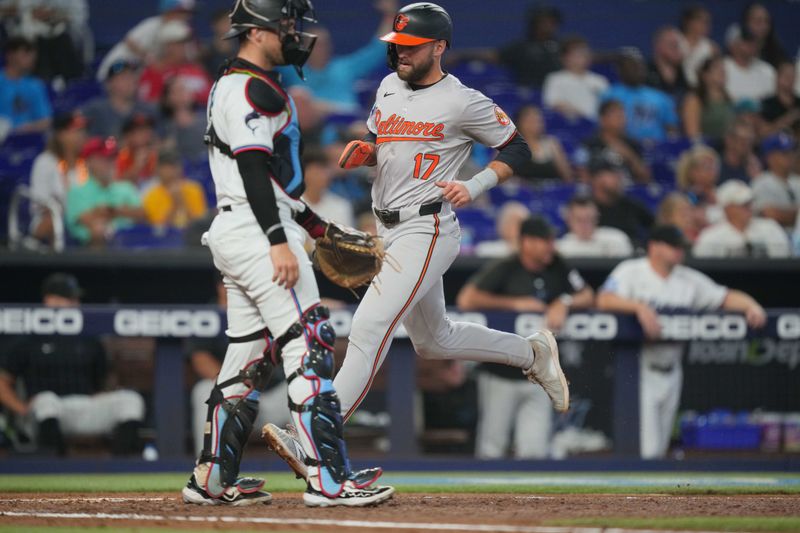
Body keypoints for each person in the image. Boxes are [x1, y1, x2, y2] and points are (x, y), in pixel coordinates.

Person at [265, 2, 571, 476]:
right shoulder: (388, 86)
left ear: (438, 46)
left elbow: (518, 147)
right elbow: (379, 139)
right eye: (397, 45)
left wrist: (476, 184)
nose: (400, 54)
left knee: (368, 327)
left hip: (426, 226)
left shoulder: (462, 99)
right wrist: (367, 150)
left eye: (410, 46)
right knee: (435, 340)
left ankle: (316, 440)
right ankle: (532, 353)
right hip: (385, 225)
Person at [181, 0, 393, 508]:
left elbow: (268, 181)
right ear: (255, 32)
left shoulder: (230, 83)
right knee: (310, 343)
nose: (295, 33)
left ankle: (211, 479)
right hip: (258, 235)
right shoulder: (255, 87)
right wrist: (279, 239)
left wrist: (318, 228)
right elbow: (255, 169)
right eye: (285, 25)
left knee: (249, 359)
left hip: (238, 229)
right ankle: (329, 480)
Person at [597, 224, 767, 459]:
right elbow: (604, 299)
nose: (679, 252)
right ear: (654, 246)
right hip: (640, 368)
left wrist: (751, 305)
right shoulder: (631, 271)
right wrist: (637, 307)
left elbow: (725, 297)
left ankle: (649, 497)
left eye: (681, 247)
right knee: (646, 449)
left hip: (673, 368)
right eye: (673, 246)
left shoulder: (688, 279)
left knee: (659, 447)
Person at [457, 216, 593, 459]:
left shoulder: (557, 265)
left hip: (538, 374)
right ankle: (485, 498)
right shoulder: (507, 266)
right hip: (500, 373)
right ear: (527, 242)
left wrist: (564, 301)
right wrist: (513, 303)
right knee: (492, 448)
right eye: (545, 240)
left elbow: (587, 295)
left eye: (551, 240)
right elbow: (467, 299)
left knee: (534, 451)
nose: (551, 246)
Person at [0, 273, 146, 456]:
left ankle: (124, 468)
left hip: (84, 405)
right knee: (46, 401)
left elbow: (102, 381)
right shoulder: (30, 339)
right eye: (69, 299)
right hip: (46, 409)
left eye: (76, 299)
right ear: (50, 300)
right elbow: (3, 382)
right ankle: (53, 467)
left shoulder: (89, 338)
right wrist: (21, 408)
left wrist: (103, 394)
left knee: (130, 399)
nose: (75, 304)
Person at [188, 278, 291, 456]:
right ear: (221, 287)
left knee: (302, 388)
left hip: (271, 397)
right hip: (232, 397)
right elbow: (200, 358)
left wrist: (322, 306)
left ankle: (314, 466)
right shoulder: (209, 316)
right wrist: (234, 384)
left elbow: (301, 308)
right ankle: (207, 463)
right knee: (204, 390)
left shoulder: (268, 308)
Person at [279, 0, 397, 114]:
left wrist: (390, 15)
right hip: (307, 129)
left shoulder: (344, 68)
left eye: (325, 44)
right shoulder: (292, 70)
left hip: (346, 127)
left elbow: (377, 49)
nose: (322, 49)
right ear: (303, 48)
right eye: (316, 45)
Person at [65, 137, 145, 246]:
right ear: (89, 162)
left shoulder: (126, 187)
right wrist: (124, 211)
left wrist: (112, 210)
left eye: (112, 158)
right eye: (104, 158)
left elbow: (143, 215)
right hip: (91, 253)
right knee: (98, 230)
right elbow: (85, 220)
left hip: (131, 248)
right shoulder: (76, 192)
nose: (110, 163)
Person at [96, 0, 195, 82]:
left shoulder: (179, 30)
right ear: (169, 11)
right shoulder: (154, 23)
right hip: (115, 69)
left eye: (188, 13)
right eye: (182, 12)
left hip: (134, 75)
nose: (186, 16)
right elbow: (129, 40)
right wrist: (149, 59)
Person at [29, 111, 88, 243]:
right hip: (54, 218)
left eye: (83, 131)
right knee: (51, 220)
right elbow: (40, 204)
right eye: (75, 131)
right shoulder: (45, 161)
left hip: (85, 217)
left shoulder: (87, 163)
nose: (81, 135)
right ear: (60, 135)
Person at [693, 179, 790, 258]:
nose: (748, 207)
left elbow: (784, 260)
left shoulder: (770, 228)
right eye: (742, 204)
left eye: (749, 203)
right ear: (727, 208)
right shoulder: (711, 237)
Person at [602, 48, 679, 144]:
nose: (634, 69)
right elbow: (604, 128)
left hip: (657, 147)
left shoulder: (661, 97)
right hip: (623, 145)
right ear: (620, 69)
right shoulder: (609, 95)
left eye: (637, 65)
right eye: (629, 65)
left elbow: (671, 128)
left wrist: (671, 145)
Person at [138, 20, 212, 107]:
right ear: (166, 47)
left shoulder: (196, 69)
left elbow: (213, 98)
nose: (184, 48)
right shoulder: (154, 71)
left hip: (200, 116)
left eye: (185, 43)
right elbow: (146, 104)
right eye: (179, 44)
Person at [577, 100, 650, 183]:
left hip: (626, 191)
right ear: (603, 119)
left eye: (623, 116)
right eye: (617, 116)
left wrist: (630, 156)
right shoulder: (589, 144)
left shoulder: (632, 144)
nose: (622, 120)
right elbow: (581, 175)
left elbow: (646, 178)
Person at [81, 59, 156, 139]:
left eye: (132, 77)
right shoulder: (95, 110)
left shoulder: (148, 110)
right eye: (124, 78)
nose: (130, 81)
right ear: (109, 84)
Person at [589, 159, 653, 247]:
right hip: (593, 256)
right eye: (613, 174)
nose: (620, 178)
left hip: (629, 255)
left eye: (619, 174)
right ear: (597, 179)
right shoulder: (586, 208)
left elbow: (654, 227)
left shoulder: (631, 206)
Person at [542, 35, 608, 120]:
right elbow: (552, 103)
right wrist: (580, 115)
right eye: (576, 54)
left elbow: (607, 106)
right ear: (564, 57)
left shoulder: (600, 80)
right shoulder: (555, 79)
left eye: (584, 53)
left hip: (597, 125)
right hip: (567, 124)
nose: (581, 57)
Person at [496, 5, 562, 88]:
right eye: (544, 22)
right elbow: (496, 56)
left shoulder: (561, 46)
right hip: (529, 90)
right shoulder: (521, 47)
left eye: (552, 22)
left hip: (558, 90)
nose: (548, 26)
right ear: (534, 24)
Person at [142, 147, 207, 228]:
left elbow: (200, 225)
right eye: (166, 167)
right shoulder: (151, 195)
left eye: (173, 166)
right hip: (166, 240)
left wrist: (182, 202)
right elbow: (158, 229)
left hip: (192, 238)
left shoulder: (194, 189)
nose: (171, 171)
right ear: (157, 169)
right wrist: (175, 205)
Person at [0, 37, 51, 134]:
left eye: (31, 54)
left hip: (27, 140)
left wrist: (22, 130)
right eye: (25, 54)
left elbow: (45, 121)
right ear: (10, 54)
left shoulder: (36, 85)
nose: (30, 59)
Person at [681, 56, 736, 144]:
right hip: (704, 149)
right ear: (705, 75)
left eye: (723, 68)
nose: (722, 71)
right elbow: (692, 135)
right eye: (716, 68)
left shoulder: (730, 100)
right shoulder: (694, 100)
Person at [557, 195, 633, 257]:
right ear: (568, 220)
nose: (584, 225)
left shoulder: (617, 239)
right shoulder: (560, 248)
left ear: (597, 218)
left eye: (589, 219)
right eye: (579, 220)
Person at [752, 133, 800, 229]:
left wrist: (785, 213)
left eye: (792, 152)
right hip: (774, 239)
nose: (790, 156)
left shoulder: (797, 181)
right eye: (784, 153)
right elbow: (771, 215)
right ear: (770, 157)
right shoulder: (761, 183)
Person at [514, 104, 572, 181]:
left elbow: (567, 176)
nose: (536, 124)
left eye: (538, 120)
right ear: (520, 123)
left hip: (550, 190)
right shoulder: (512, 145)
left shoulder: (551, 143)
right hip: (524, 191)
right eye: (531, 120)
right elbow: (498, 174)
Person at [300, 148, 355, 228]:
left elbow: (347, 238)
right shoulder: (293, 206)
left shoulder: (341, 206)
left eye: (324, 170)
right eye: (317, 171)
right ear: (304, 174)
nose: (323, 175)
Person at [159, 76, 209, 162]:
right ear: (167, 99)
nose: (182, 94)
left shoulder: (208, 120)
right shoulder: (164, 128)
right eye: (177, 90)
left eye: (184, 89)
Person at [723, 25, 775, 105]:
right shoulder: (722, 68)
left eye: (753, 41)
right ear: (732, 45)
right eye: (745, 41)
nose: (751, 45)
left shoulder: (767, 70)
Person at [676, 144, 723, 228]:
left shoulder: (723, 191)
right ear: (692, 172)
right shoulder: (685, 197)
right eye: (707, 167)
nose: (712, 170)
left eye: (714, 166)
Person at [678, 5, 717, 88]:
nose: (707, 25)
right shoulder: (676, 41)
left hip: (702, 90)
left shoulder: (711, 47)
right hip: (679, 87)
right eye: (702, 21)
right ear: (688, 22)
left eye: (708, 22)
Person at [738, 2, 787, 68]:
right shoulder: (736, 49)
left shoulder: (776, 51)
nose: (764, 26)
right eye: (758, 21)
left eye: (766, 21)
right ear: (746, 23)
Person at [116, 113, 159, 186]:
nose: (146, 134)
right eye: (140, 131)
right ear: (128, 136)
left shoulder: (154, 155)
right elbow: (118, 185)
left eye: (147, 129)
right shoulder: (121, 156)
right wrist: (137, 166)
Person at [760, 61, 800, 138]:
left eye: (792, 75)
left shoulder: (798, 102)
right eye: (786, 75)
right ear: (777, 77)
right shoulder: (767, 104)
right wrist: (788, 119)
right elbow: (762, 132)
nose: (789, 79)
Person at [646, 26, 688, 98]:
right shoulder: (644, 73)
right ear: (658, 46)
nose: (678, 49)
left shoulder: (683, 73)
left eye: (679, 46)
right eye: (673, 45)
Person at [717, 119, 762, 184]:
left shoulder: (752, 167)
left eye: (750, 141)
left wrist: (757, 178)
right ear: (728, 140)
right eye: (742, 141)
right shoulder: (716, 165)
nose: (747, 146)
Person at [202, 9, 237, 76]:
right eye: (224, 22)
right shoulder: (206, 49)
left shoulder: (240, 46)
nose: (228, 26)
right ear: (214, 25)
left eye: (230, 22)